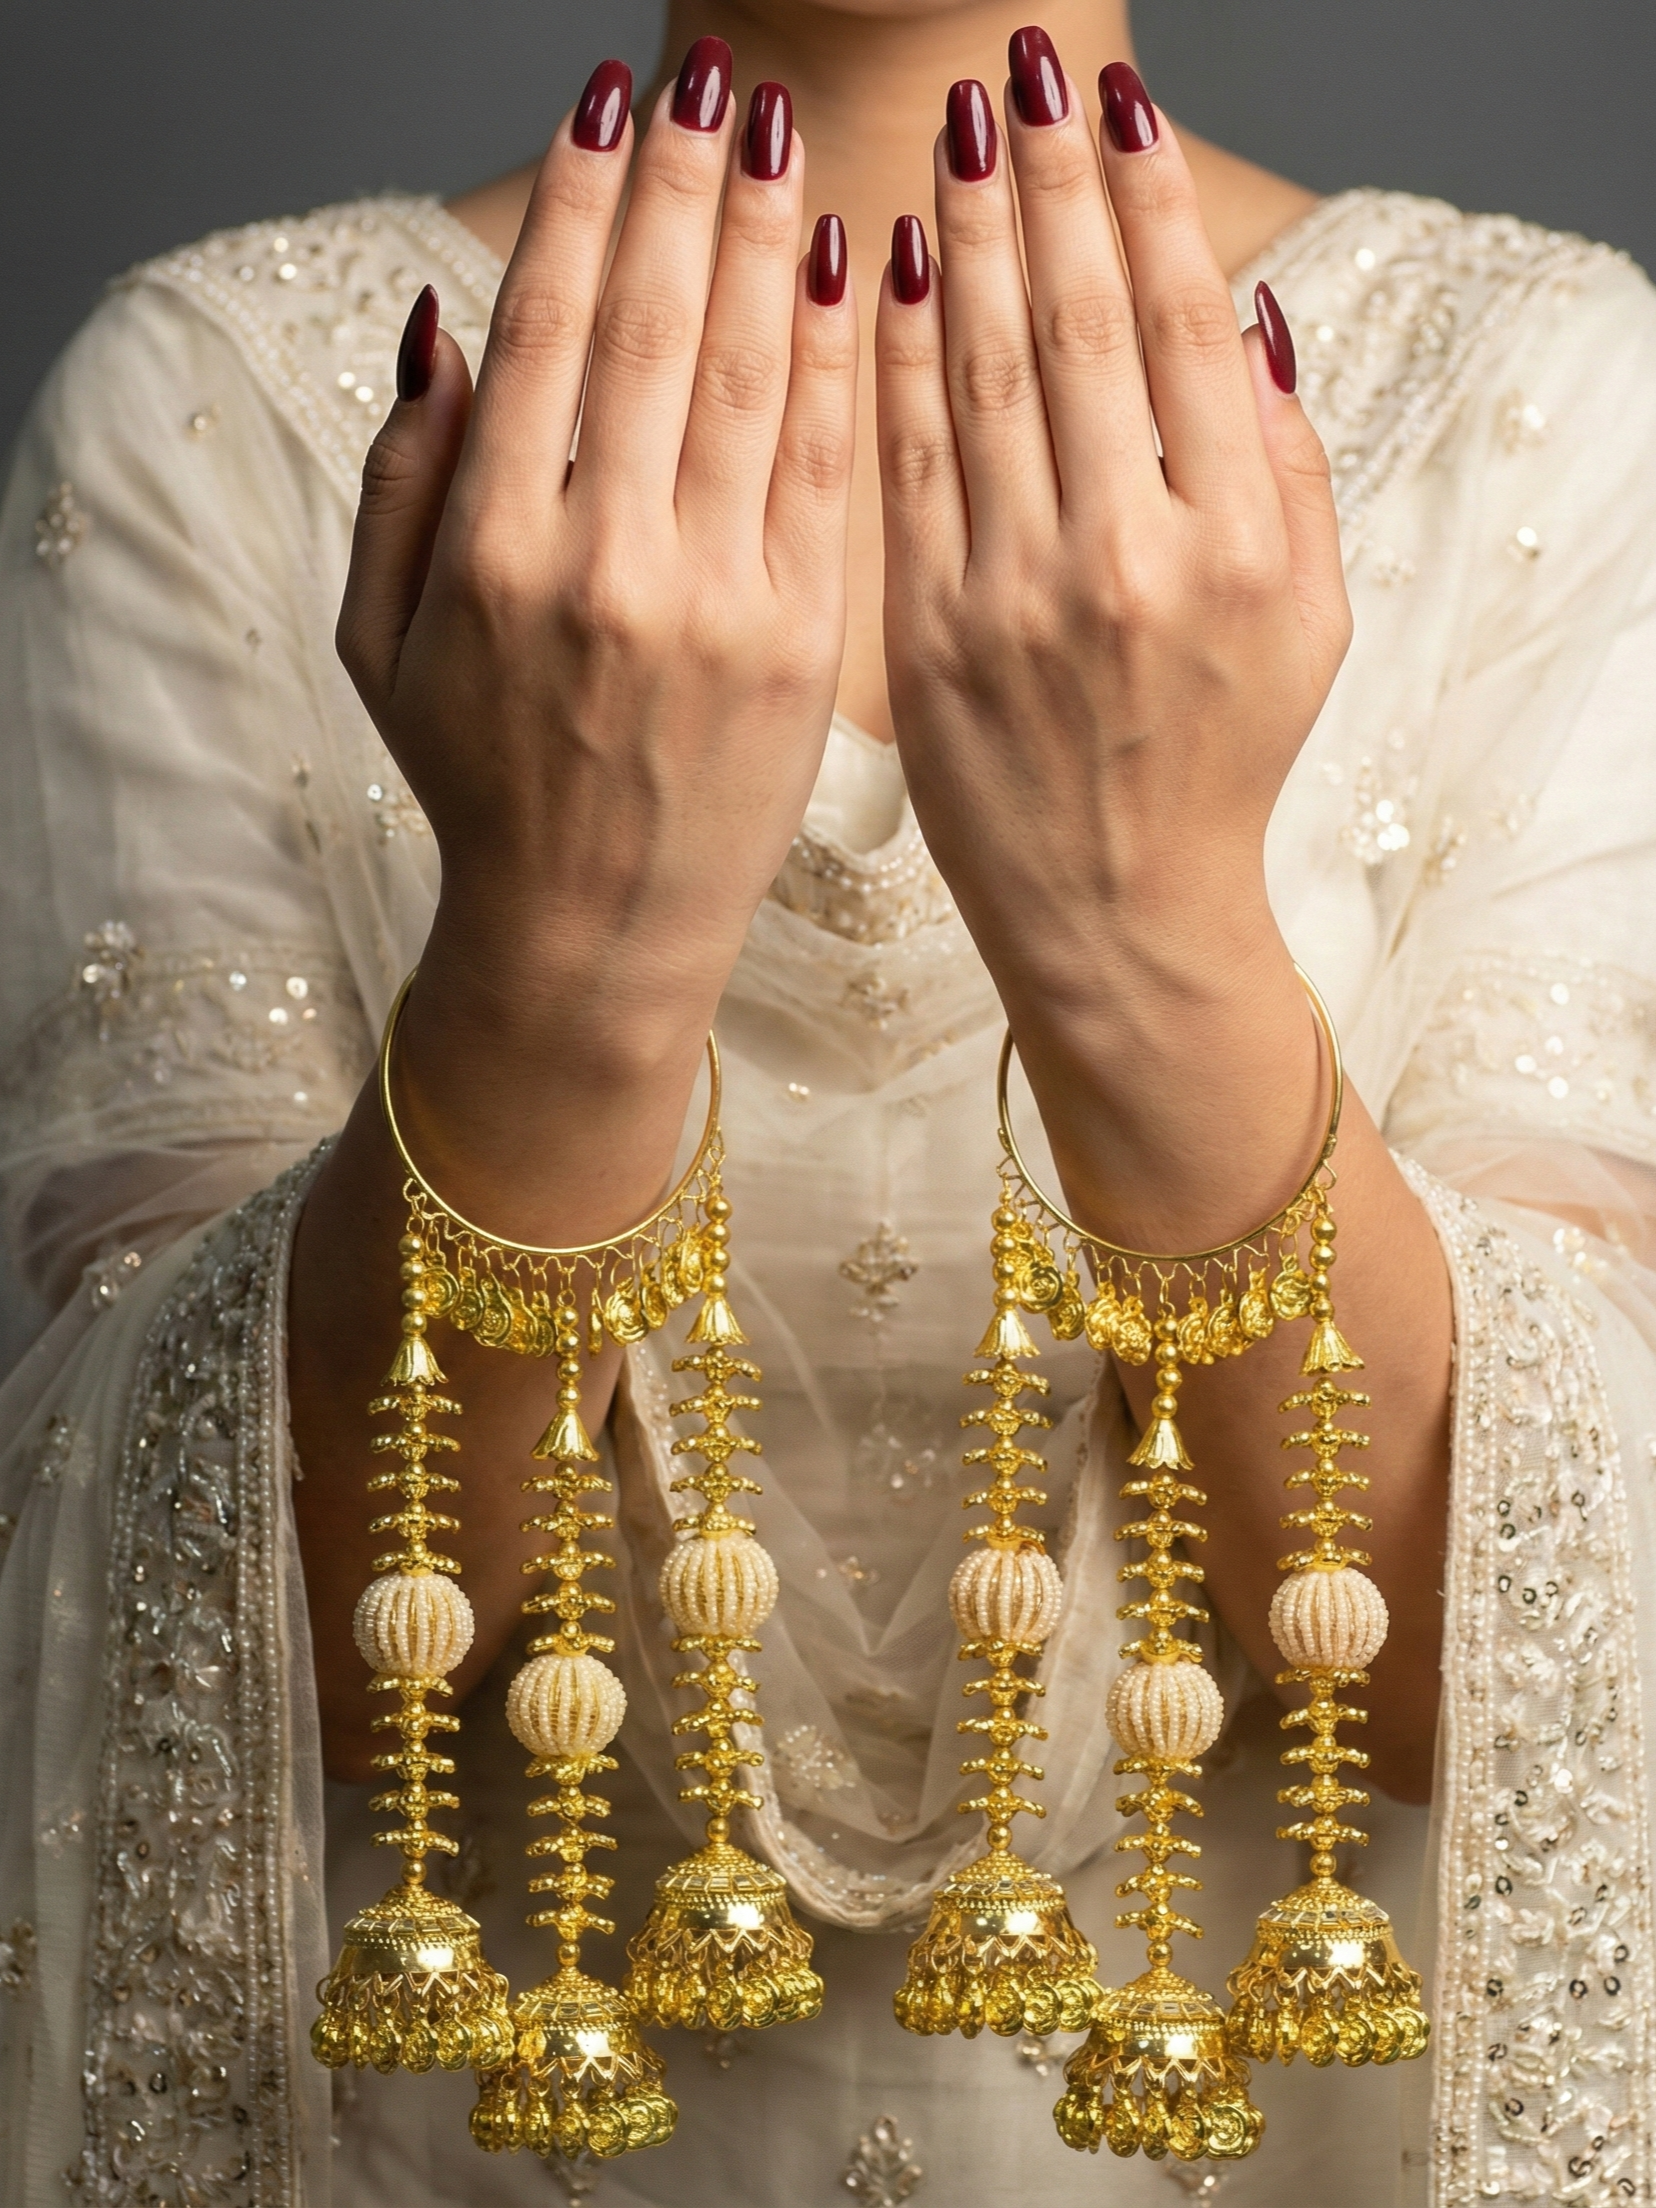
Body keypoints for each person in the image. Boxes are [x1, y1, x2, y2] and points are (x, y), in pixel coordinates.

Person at [2, 2, 1654, 2202]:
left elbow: (1525, 1696)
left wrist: (1149, 931)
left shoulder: (1543, 392)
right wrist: (564, 962)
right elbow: (189, 1681)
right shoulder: (226, 402)